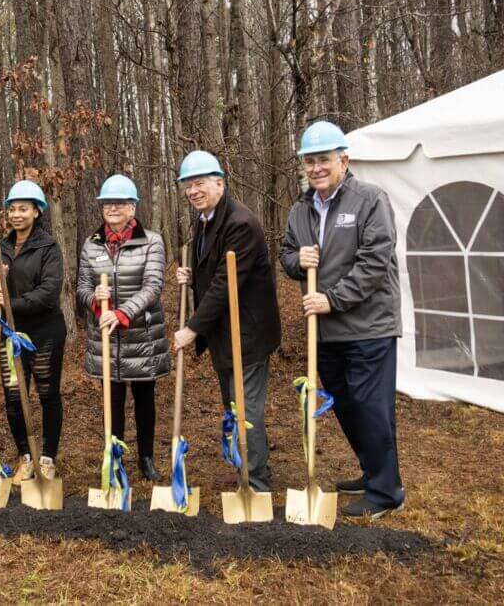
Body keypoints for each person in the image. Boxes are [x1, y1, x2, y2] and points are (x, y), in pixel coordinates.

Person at [280, 121, 405, 519]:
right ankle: (373, 472)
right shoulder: (300, 209)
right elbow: (285, 255)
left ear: (344, 160)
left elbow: (374, 262)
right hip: (326, 330)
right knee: (346, 405)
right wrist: (297, 261)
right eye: (309, 161)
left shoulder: (370, 200)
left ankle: (386, 492)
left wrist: (332, 300)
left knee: (371, 405)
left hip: (369, 325)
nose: (315, 168)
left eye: (324, 160)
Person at [172, 151, 281, 492]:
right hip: (224, 334)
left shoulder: (240, 223)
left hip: (246, 333)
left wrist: (192, 328)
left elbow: (224, 285)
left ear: (220, 183)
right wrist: (191, 274)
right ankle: (245, 468)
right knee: (234, 408)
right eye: (188, 185)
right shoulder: (204, 220)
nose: (193, 190)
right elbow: (213, 271)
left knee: (246, 410)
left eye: (200, 182)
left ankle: (257, 484)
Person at [76, 174, 170, 480]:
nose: (112, 208)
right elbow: (81, 287)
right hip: (105, 339)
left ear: (133, 208)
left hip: (141, 337)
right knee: (111, 403)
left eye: (120, 203)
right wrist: (94, 300)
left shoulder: (151, 241)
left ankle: (146, 458)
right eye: (107, 203)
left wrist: (121, 313)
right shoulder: (92, 245)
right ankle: (114, 458)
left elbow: (153, 286)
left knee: (145, 401)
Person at [0, 180, 66, 482]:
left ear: (37, 212)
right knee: (14, 396)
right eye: (12, 209)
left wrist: (13, 303)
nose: (17, 215)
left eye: (23, 209)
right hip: (9, 335)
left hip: (44, 332)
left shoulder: (48, 247)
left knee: (47, 393)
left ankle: (48, 458)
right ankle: (25, 457)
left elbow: (50, 290)